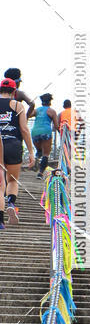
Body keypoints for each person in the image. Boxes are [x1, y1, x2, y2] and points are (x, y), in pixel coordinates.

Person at [0, 77, 35, 223]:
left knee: (0, 183)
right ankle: (11, 204)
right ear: (14, 91)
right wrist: (31, 152)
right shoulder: (18, 106)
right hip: (13, 145)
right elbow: (25, 130)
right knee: (12, 181)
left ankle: (0, 221)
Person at [31, 93, 59, 179]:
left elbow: (27, 115)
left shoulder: (36, 110)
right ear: (50, 102)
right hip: (46, 132)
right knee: (46, 154)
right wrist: (60, 132)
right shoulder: (52, 111)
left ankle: (37, 156)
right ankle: (40, 173)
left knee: (39, 150)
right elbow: (56, 125)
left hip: (35, 132)